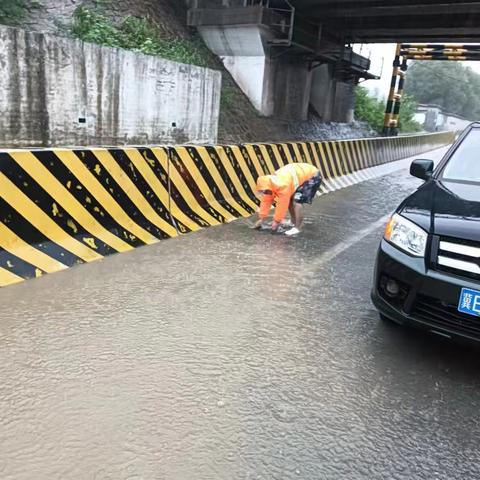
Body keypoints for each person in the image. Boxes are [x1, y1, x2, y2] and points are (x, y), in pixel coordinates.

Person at [253, 163, 321, 236]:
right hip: (301, 174)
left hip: (313, 176)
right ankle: (293, 222)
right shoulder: (270, 184)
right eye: (264, 191)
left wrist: (276, 221)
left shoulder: (283, 186)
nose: (265, 192)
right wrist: (261, 218)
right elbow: (266, 201)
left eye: (265, 191)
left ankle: (298, 228)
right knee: (290, 201)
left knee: (297, 202)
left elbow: (282, 205)